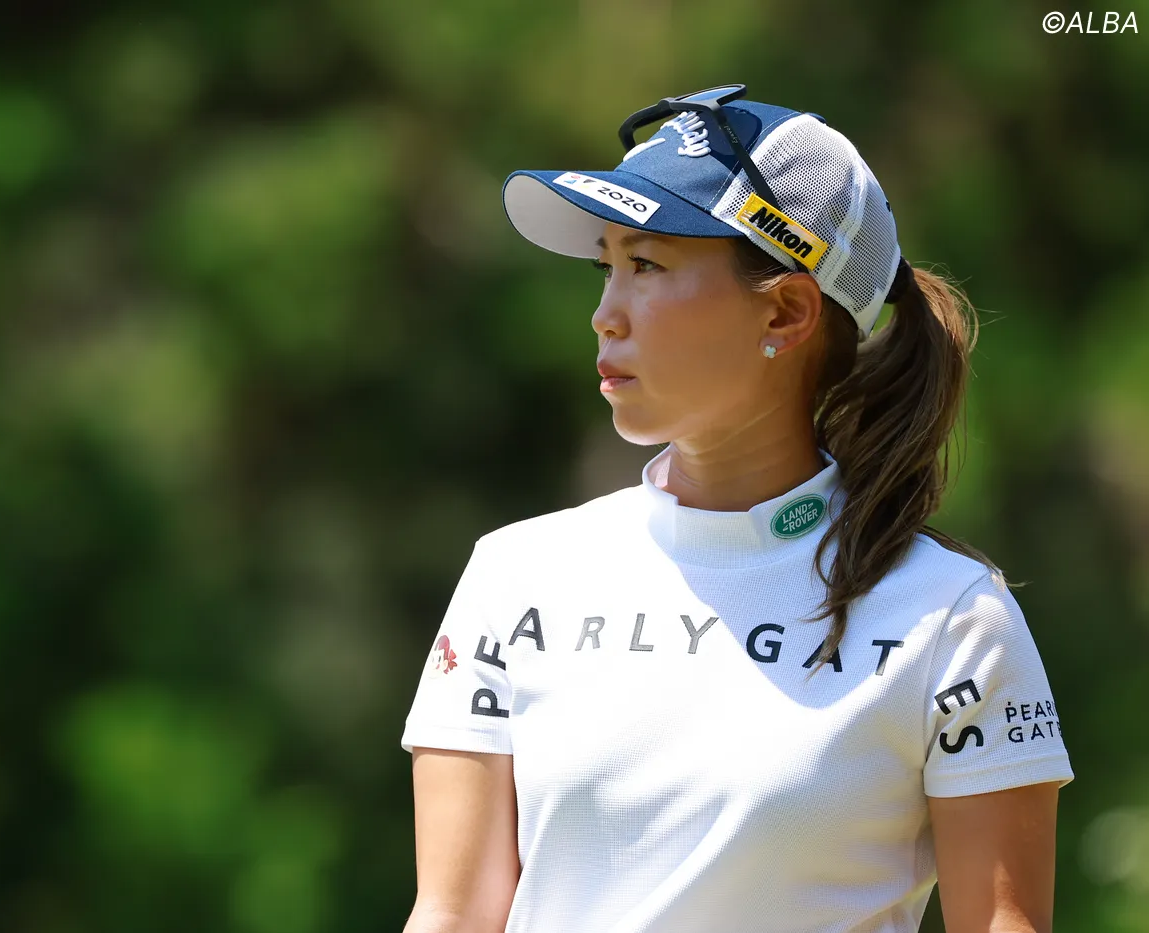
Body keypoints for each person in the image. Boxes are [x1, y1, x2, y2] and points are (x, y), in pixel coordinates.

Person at [398, 85, 1074, 933]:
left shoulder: (954, 620)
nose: (605, 314)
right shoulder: (514, 575)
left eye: (647, 265)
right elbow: (452, 914)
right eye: (606, 267)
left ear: (785, 311)